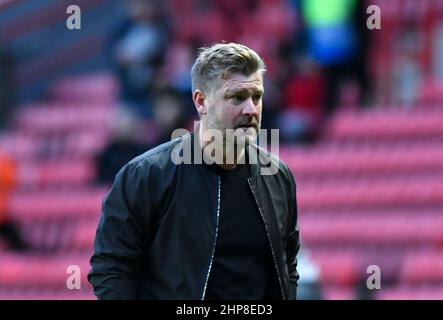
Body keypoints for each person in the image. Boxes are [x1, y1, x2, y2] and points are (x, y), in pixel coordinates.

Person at [88, 43, 300, 300]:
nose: (251, 110)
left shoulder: (278, 177)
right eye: (237, 97)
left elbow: (287, 267)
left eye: (257, 96)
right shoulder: (146, 176)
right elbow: (111, 268)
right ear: (201, 101)